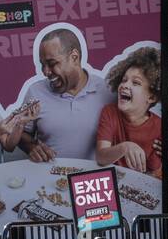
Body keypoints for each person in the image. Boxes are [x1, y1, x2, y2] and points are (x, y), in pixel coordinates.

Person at [17, 27, 113, 162]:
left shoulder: (108, 91)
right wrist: (32, 146)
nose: (45, 72)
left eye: (52, 63)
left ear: (74, 57)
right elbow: (21, 134)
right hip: (50, 178)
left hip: (96, 179)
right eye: (42, 65)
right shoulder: (35, 92)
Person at [96, 46, 162, 177]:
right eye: (124, 80)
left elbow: (155, 172)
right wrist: (125, 147)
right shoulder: (110, 113)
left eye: (136, 83)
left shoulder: (158, 126)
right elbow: (101, 157)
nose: (125, 85)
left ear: (152, 97)